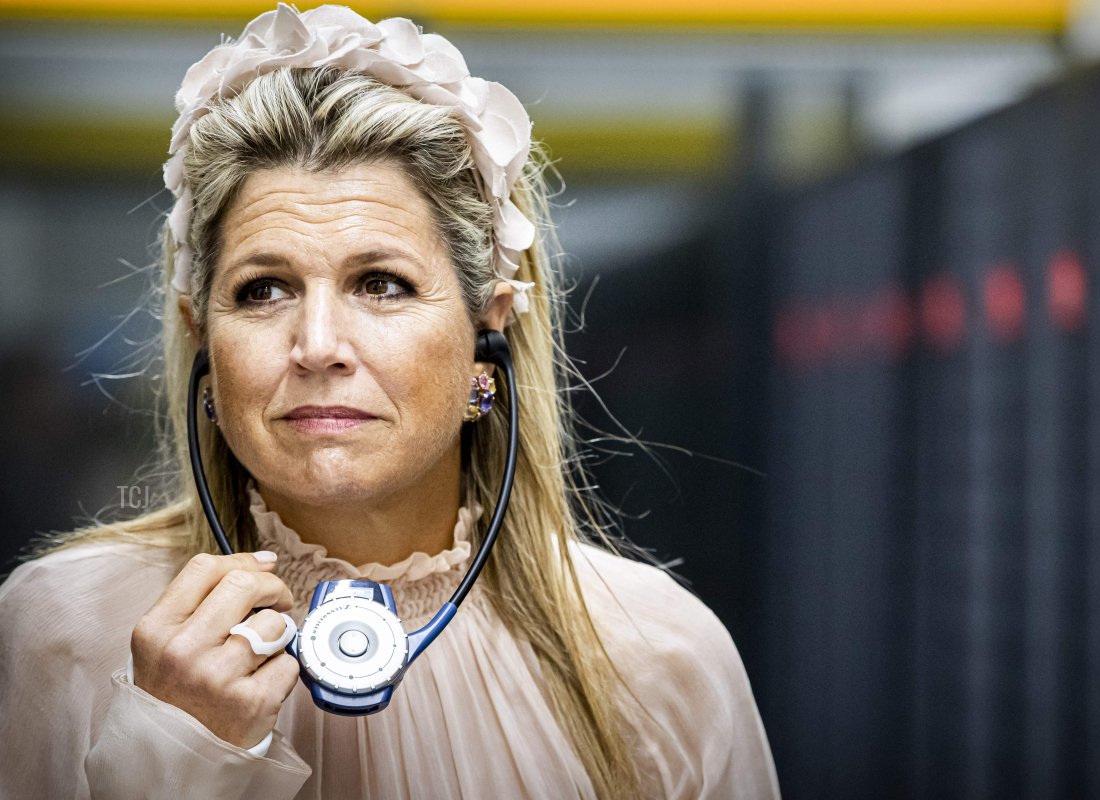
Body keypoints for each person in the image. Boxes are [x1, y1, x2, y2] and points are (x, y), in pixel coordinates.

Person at [0, 5, 779, 798]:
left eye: (381, 284)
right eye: (263, 289)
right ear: (203, 336)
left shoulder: (663, 658)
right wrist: (172, 756)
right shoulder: (61, 631)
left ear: (488, 327)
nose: (316, 344)